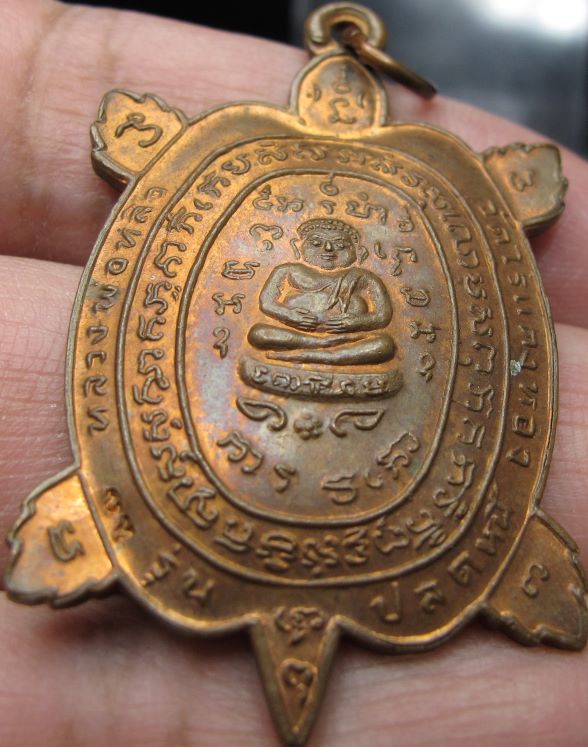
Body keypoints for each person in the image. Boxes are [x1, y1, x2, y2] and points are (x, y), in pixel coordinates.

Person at [0, 1, 586, 745]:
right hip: (284, 359)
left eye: (341, 250)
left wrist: (336, 329)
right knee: (266, 339)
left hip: (354, 369)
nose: (332, 259)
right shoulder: (286, 274)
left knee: (375, 355)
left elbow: (378, 324)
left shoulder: (365, 277)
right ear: (308, 245)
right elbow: (271, 317)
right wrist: (312, 327)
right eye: (323, 249)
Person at [248, 218, 395, 364]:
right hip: (298, 336)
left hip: (349, 337)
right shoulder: (288, 270)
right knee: (259, 333)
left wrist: (356, 322)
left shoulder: (364, 277)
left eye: (340, 245)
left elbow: (382, 316)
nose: (328, 248)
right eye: (316, 243)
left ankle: (319, 356)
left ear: (358, 251)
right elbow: (267, 303)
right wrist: (289, 315)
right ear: (297, 246)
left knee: (384, 345)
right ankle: (321, 344)